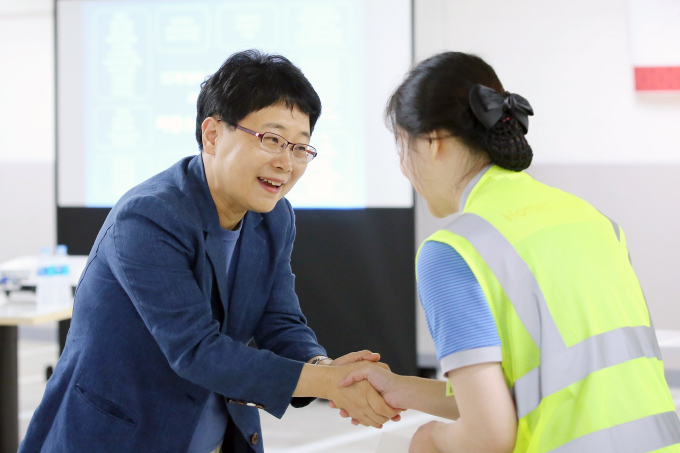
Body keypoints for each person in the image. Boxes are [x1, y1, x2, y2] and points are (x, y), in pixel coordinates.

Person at [19, 50, 399, 453]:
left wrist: (325, 369)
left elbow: (280, 321)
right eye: (272, 139)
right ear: (213, 135)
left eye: (300, 147)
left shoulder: (274, 217)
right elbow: (196, 350)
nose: (286, 162)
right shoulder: (149, 216)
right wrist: (331, 384)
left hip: (216, 436)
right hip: (120, 435)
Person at [334, 52, 680, 453]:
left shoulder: (453, 252)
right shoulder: (593, 220)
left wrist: (427, 440)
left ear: (430, 142)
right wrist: (402, 388)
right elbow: (527, 393)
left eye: (401, 146)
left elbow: (488, 436)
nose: (402, 167)